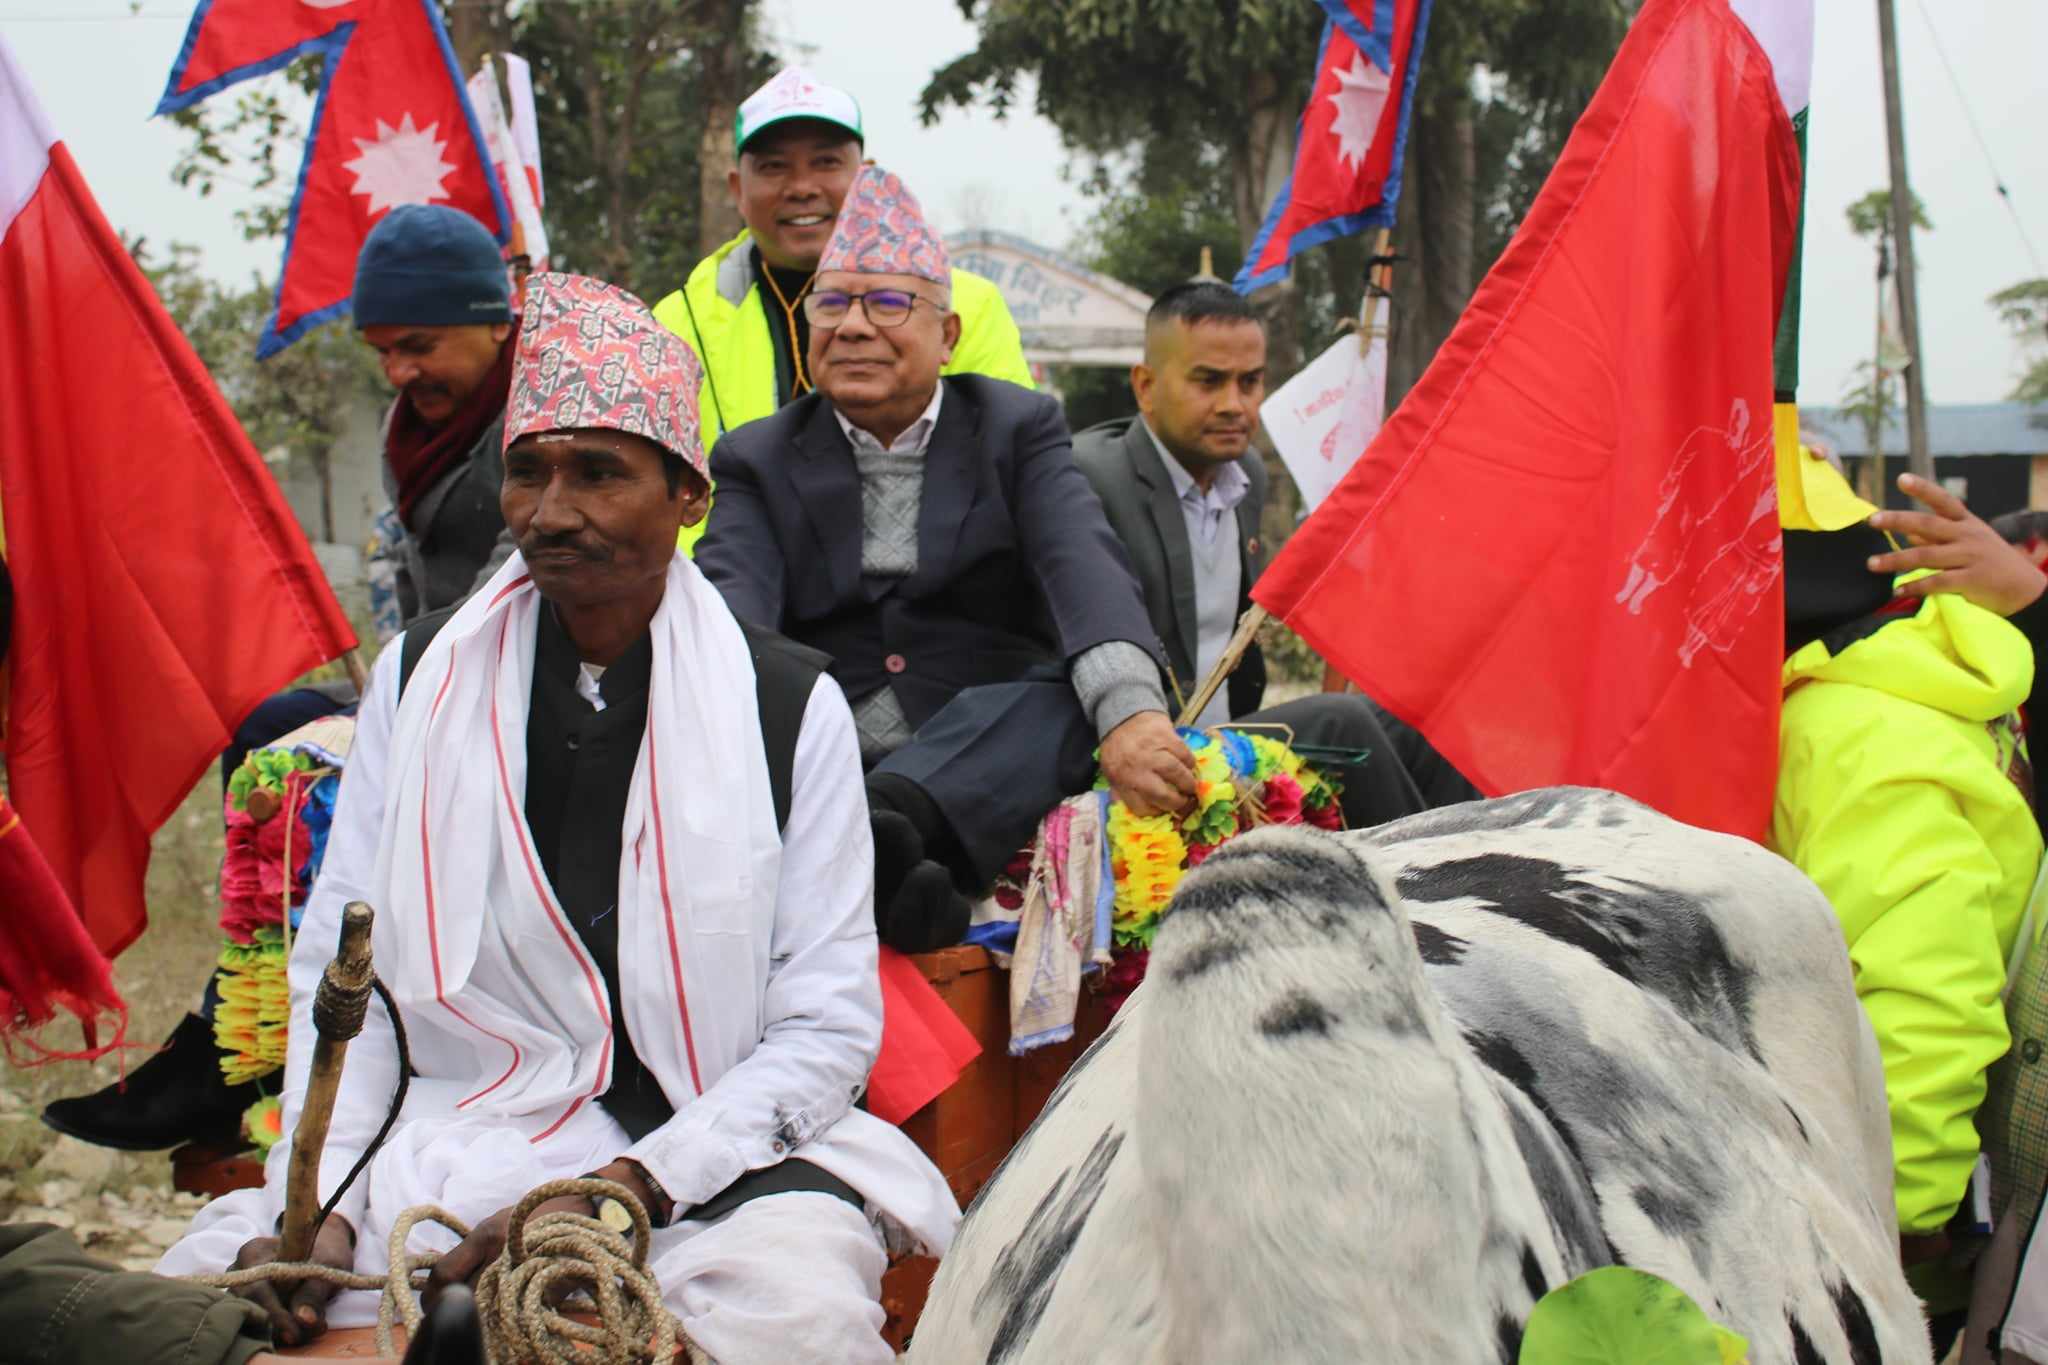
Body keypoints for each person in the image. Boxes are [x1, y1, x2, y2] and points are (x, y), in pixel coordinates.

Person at [155, 273, 955, 1365]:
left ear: (686, 492)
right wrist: (325, 1202)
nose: (550, 511)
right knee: (193, 1309)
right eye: (527, 472)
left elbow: (822, 1031)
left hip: (704, 1154)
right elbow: (348, 982)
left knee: (797, 1325)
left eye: (598, 473)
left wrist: (627, 1192)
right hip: (448, 1131)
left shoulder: (785, 706)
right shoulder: (422, 676)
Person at [40, 204, 526, 1154]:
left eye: (419, 345)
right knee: (274, 728)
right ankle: (248, 1030)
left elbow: (519, 585)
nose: (400, 372)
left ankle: (246, 1055)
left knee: (302, 741)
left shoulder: (539, 416)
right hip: (430, 680)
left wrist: (398, 687)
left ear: (493, 319)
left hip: (519, 694)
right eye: (383, 351)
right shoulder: (418, 425)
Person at [695, 165, 1195, 953]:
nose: (854, 326)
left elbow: (1084, 569)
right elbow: (735, 615)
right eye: (833, 303)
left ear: (950, 333)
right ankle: (890, 868)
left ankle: (883, 829)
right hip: (834, 744)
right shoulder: (758, 455)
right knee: (749, 683)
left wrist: (1132, 713)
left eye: (889, 302)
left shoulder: (1016, 426)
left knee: (1065, 694)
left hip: (988, 742)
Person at [1771, 468, 2046, 1351]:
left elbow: (1928, 991)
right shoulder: (1919, 684)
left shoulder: (1849, 729)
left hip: (1900, 1230)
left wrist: (1892, 1224)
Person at [1071, 281, 1477, 822]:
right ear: (1145, 386)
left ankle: (1490, 865)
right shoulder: (1089, 478)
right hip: (1148, 753)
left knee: (1420, 716)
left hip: (1231, 737)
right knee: (1342, 725)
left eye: (1250, 382)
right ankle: (1426, 894)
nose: (1234, 405)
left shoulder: (1247, 477)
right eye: (1208, 382)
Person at [650, 66, 1032, 452]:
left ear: (866, 176)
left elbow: (1011, 461)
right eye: (774, 167)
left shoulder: (968, 304)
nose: (801, 188)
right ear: (737, 188)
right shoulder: (677, 325)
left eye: (826, 162)